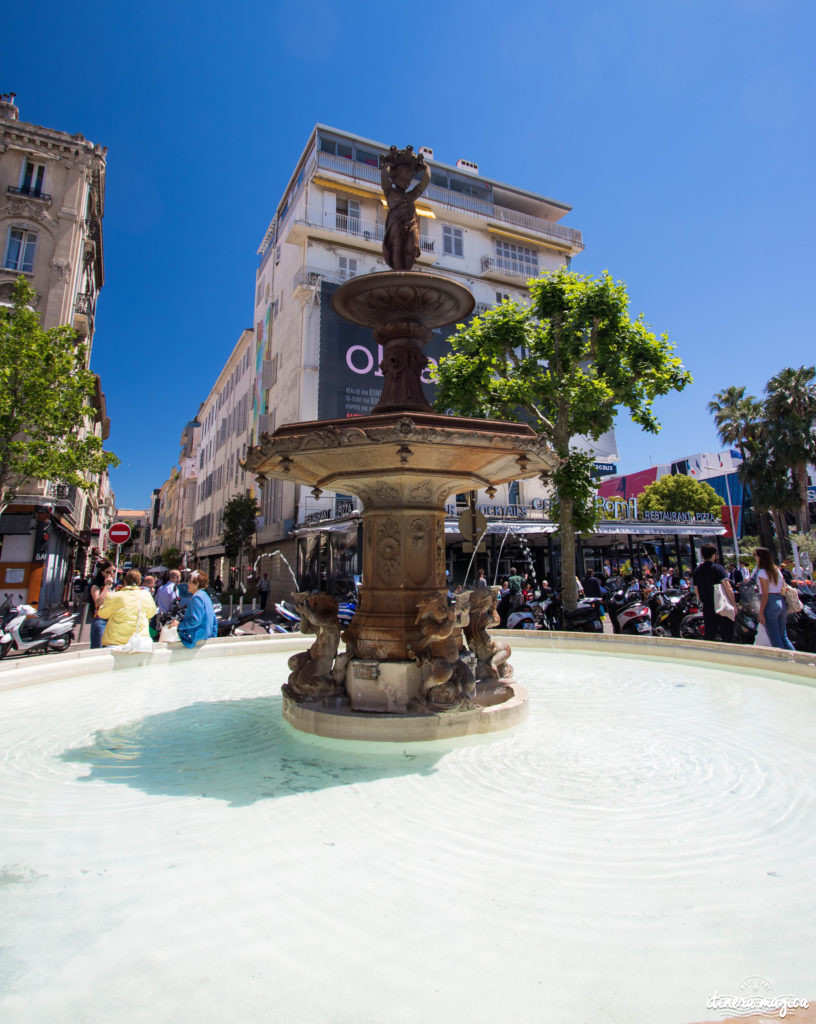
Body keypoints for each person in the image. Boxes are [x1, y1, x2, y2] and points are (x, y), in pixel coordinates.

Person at [97, 569, 158, 647]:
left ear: (125, 582)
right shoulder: (146, 596)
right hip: (139, 641)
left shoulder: (114, 596)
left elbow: (102, 614)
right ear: (139, 582)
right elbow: (151, 614)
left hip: (115, 642)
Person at [692, 544, 735, 642]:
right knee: (727, 634)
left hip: (707, 606)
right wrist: (733, 604)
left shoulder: (697, 571)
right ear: (714, 555)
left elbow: (696, 591)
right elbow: (728, 587)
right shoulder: (718, 568)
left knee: (710, 634)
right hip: (721, 605)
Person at [755, 547, 795, 651]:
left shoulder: (762, 572)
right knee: (783, 636)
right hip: (781, 600)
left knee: (775, 637)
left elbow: (765, 594)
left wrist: (761, 612)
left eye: (755, 556)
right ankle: (796, 658)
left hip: (770, 603)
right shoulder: (777, 570)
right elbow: (783, 587)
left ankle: (783, 663)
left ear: (760, 557)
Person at [167, 570, 218, 649]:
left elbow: (195, 620)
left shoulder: (197, 597)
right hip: (206, 636)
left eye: (190, 582)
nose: (188, 584)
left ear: (197, 583)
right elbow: (214, 620)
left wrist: (179, 625)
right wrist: (213, 636)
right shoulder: (206, 596)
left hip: (195, 638)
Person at [88, 562, 115, 649]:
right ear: (102, 572)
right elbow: (98, 602)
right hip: (100, 619)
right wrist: (106, 587)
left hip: (111, 620)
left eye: (113, 572)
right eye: (108, 572)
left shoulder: (114, 586)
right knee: (97, 650)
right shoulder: (96, 586)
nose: (111, 574)